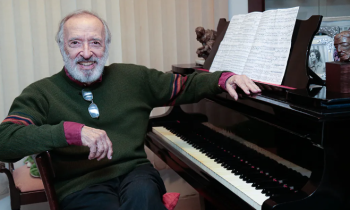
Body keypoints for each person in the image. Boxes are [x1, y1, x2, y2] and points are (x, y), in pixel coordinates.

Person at [0, 10, 260, 210]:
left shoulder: (132, 78)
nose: (87, 53)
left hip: (135, 173)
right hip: (80, 186)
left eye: (96, 43)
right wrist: (70, 132)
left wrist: (223, 79)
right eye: (75, 43)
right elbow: (5, 141)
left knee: (144, 197)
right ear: (62, 47)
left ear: (106, 47)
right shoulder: (41, 93)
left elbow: (185, 85)